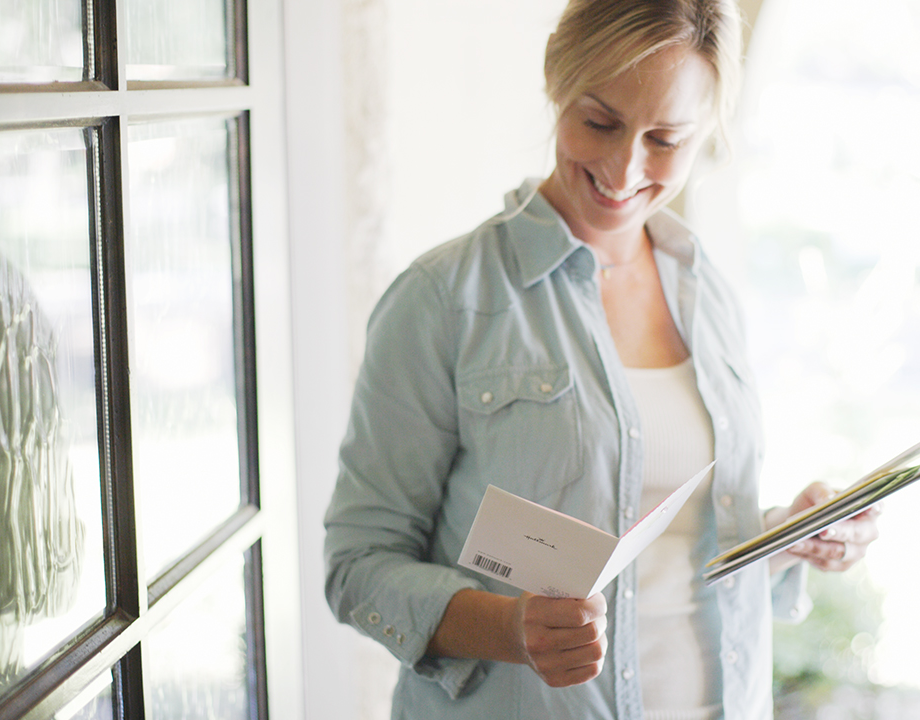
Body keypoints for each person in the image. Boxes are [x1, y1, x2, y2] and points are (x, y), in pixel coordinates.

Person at [323, 1, 881, 718]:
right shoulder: (443, 299)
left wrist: (790, 537)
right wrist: (508, 629)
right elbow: (357, 568)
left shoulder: (706, 292)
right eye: (600, 122)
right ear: (559, 84)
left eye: (666, 140)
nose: (624, 169)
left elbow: (682, 554)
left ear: (709, 130)